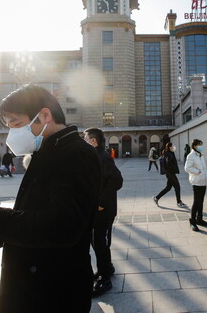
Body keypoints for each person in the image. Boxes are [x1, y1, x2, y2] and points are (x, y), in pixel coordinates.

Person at [0, 85, 100, 312]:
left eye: (16, 124)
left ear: (44, 115)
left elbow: (64, 226)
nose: (12, 133)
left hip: (53, 291)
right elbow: (33, 215)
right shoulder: (45, 151)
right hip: (31, 285)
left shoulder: (76, 154)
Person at [84, 127, 123, 297]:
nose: (83, 141)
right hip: (96, 210)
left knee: (100, 242)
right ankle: (105, 267)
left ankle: (104, 278)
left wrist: (100, 202)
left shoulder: (103, 157)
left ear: (93, 141)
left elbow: (117, 180)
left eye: (85, 138)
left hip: (104, 211)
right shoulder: (94, 156)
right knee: (97, 241)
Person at [184, 139, 207, 232]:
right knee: (196, 202)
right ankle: (192, 221)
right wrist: (197, 172)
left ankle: (200, 219)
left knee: (201, 201)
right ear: (194, 146)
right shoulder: (191, 156)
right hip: (196, 181)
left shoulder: (200, 155)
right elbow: (187, 168)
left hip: (203, 181)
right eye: (200, 145)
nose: (201, 147)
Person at [153, 142, 186, 208]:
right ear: (169, 147)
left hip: (170, 173)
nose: (173, 147)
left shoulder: (170, 153)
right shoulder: (168, 154)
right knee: (177, 186)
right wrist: (172, 170)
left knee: (168, 188)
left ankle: (156, 198)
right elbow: (168, 164)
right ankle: (179, 202)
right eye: (172, 146)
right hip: (170, 173)